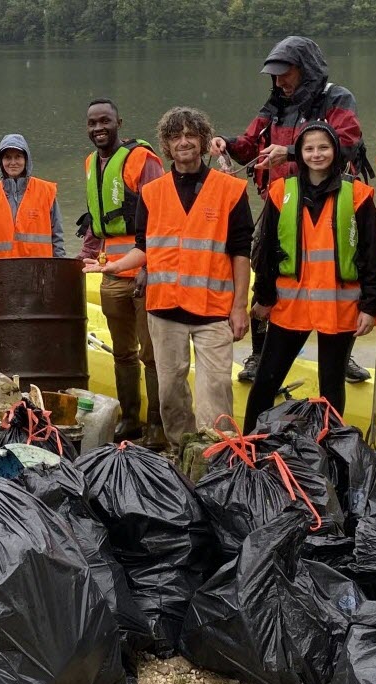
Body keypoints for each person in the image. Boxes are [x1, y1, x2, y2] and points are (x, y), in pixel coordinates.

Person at [83, 106, 252, 448]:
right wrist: (115, 266)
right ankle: (180, 451)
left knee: (215, 391)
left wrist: (239, 307)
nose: (184, 142)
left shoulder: (230, 190)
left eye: (191, 135)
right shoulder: (152, 192)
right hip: (164, 311)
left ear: (204, 142)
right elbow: (144, 248)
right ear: (167, 145)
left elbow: (241, 253)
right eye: (176, 137)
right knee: (171, 393)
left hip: (213, 311)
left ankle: (217, 454)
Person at [208, 36, 372, 386]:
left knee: (341, 271)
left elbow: (346, 143)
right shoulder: (275, 105)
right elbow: (250, 145)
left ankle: (341, 355)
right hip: (281, 203)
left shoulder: (336, 98)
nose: (280, 81)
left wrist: (291, 152)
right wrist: (226, 142)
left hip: (332, 202)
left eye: (286, 73)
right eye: (275, 75)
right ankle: (258, 353)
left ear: (306, 69)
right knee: (263, 264)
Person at [243, 122, 376, 432]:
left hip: (339, 307)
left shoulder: (358, 194)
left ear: (335, 151)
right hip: (289, 305)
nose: (317, 154)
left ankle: (332, 449)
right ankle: (248, 445)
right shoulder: (282, 192)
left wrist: (371, 306)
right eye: (309, 148)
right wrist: (263, 298)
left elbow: (373, 254)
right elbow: (264, 250)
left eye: (324, 147)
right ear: (299, 153)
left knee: (332, 387)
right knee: (267, 379)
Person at [80, 98, 165, 446]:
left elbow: (161, 214)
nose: (99, 128)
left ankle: (158, 426)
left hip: (146, 274)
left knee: (151, 354)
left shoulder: (141, 160)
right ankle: (130, 419)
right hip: (112, 274)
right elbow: (93, 222)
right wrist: (82, 259)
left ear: (119, 122)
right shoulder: (90, 163)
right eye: (92, 123)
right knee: (122, 352)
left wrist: (150, 265)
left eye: (105, 121)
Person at [0, 133, 66, 303]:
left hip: (38, 280)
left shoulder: (46, 192)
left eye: (18, 156)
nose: (13, 162)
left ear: (26, 159)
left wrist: (62, 279)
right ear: (1, 161)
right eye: (7, 157)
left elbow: (57, 239)